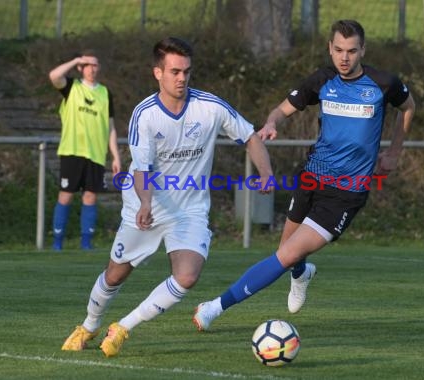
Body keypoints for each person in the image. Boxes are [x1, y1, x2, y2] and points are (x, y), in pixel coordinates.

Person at [193, 19, 416, 330]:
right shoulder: (322, 80)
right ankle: (302, 274)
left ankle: (215, 307)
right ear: (330, 48)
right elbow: (281, 110)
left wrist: (393, 152)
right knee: (287, 255)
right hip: (311, 176)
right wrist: (271, 124)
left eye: (352, 51)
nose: (344, 58)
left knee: (285, 255)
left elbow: (408, 107)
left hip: (346, 193)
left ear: (363, 50)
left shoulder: (383, 83)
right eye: (338, 50)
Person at [61, 37, 273, 357]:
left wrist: (266, 173)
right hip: (146, 204)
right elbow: (141, 170)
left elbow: (251, 136)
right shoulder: (145, 115)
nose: (181, 78)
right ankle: (89, 325)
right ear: (157, 73)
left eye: (186, 71)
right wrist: (146, 203)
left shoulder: (210, 107)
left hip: (189, 210)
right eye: (174, 71)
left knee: (187, 275)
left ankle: (123, 328)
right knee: (115, 273)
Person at [49, 50, 121, 250]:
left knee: (90, 196)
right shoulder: (72, 86)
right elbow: (54, 76)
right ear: (81, 67)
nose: (92, 69)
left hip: (96, 154)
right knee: (66, 195)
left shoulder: (105, 93)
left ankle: (86, 244)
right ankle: (57, 244)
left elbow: (111, 127)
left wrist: (115, 156)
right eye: (88, 65)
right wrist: (75, 60)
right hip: (72, 151)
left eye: (95, 65)